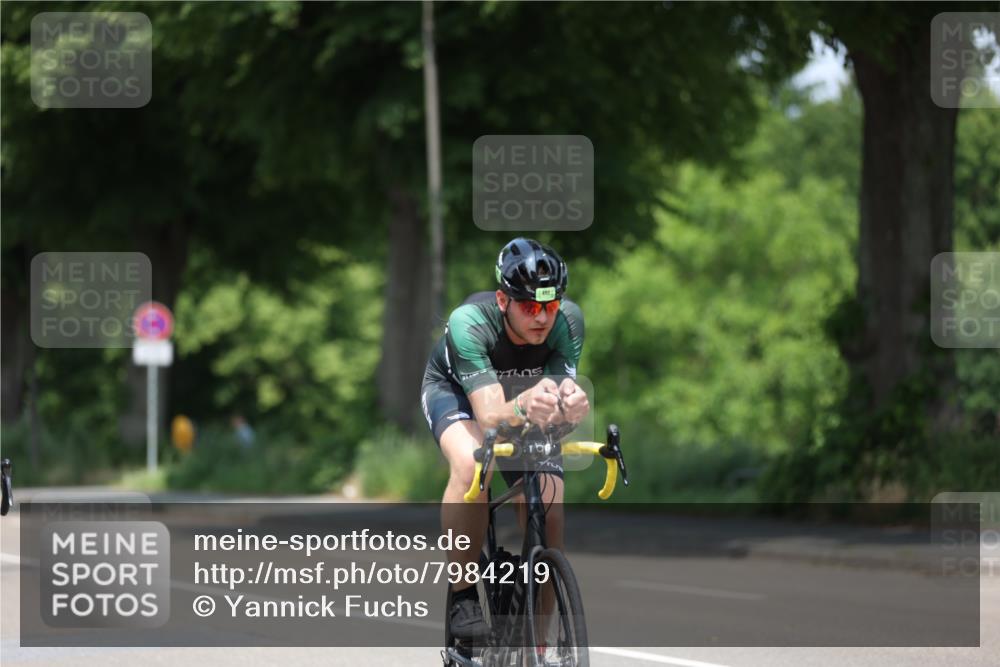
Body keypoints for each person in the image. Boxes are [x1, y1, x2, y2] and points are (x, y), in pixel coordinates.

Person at [420, 238, 590, 640]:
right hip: (459, 394)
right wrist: (527, 403)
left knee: (550, 512)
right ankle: (464, 595)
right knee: (474, 463)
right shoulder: (469, 323)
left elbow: (556, 394)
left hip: (522, 398)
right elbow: (490, 414)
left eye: (549, 306)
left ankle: (539, 645)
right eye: (530, 307)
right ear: (502, 300)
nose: (542, 318)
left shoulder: (569, 321)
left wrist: (571, 405)